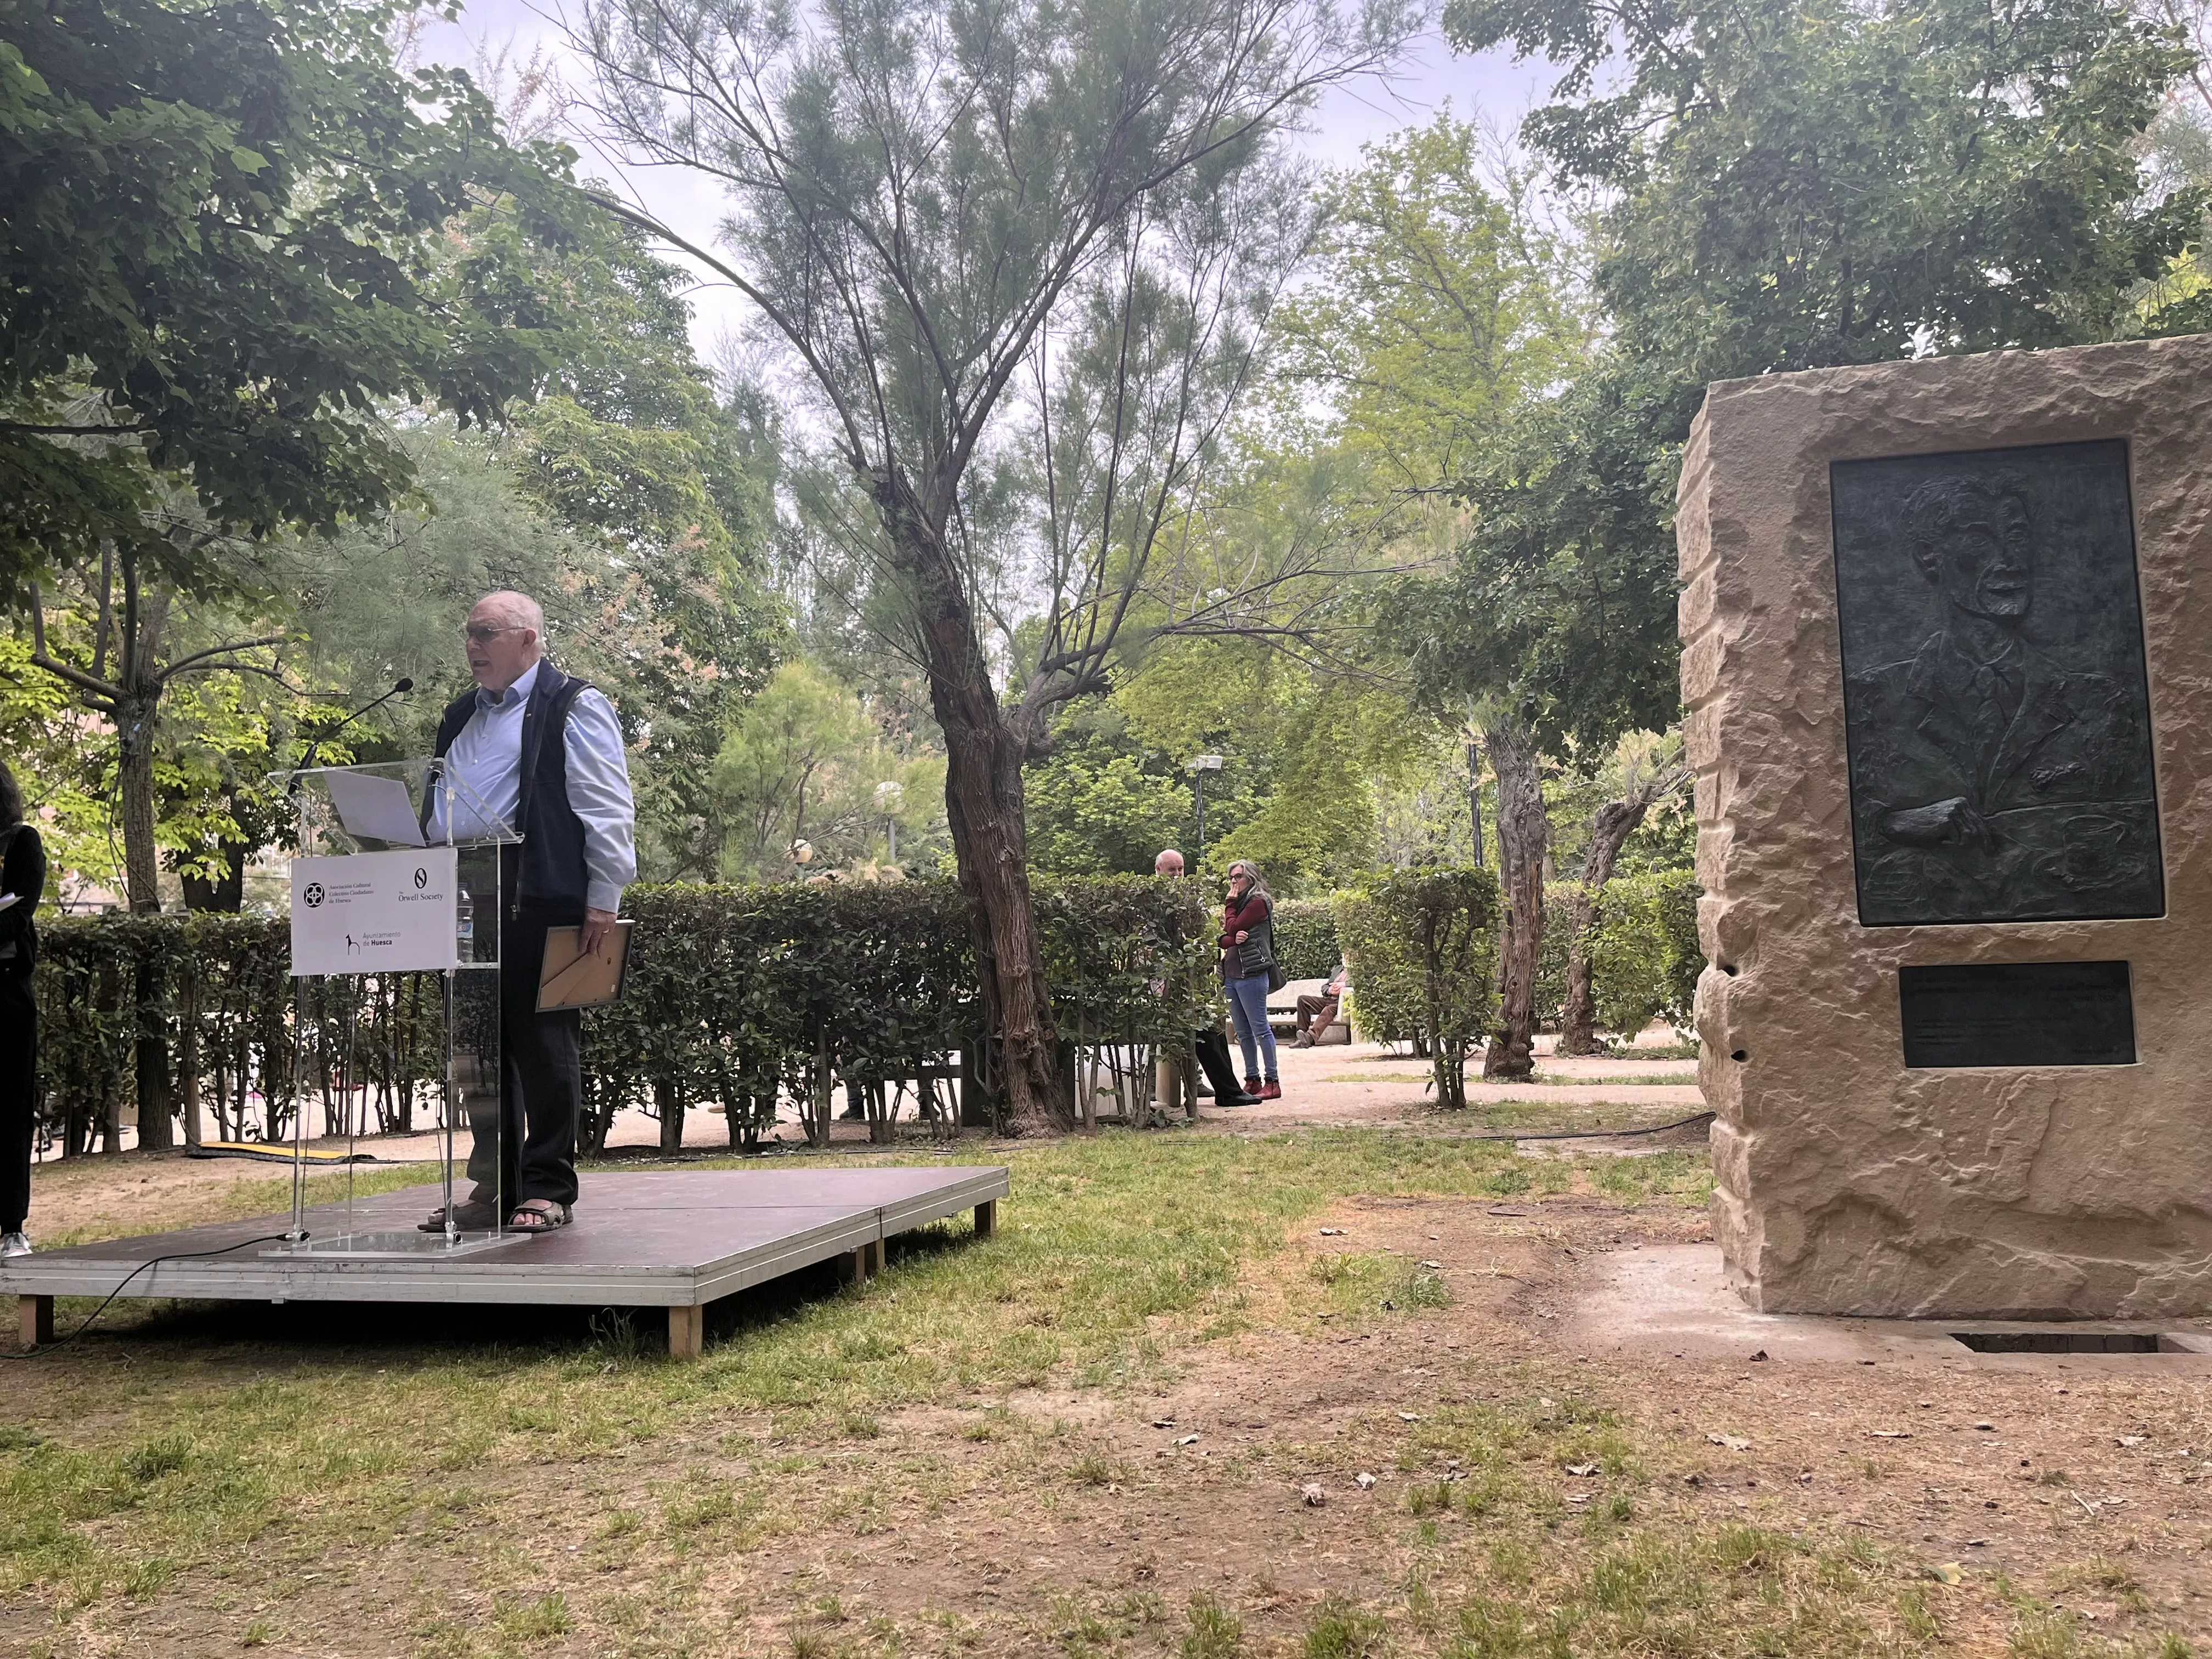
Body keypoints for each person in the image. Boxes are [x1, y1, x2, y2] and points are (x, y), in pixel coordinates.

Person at [1846, 470, 2157, 923]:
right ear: (1929, 557)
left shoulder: (2103, 703)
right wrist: (1901, 823)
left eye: (2016, 537)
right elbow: (1824, 833)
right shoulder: (1872, 702)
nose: (2008, 559)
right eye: (1979, 539)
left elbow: (2134, 832)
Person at [420, 592, 636, 1234]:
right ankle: (495, 1186)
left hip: (539, 895)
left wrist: (603, 898)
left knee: (544, 1047)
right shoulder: (461, 715)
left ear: (530, 639)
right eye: (468, 632)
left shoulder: (573, 705)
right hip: (459, 896)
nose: (472, 645)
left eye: (487, 632)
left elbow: (606, 806)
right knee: (479, 1055)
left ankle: (546, 1187)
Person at [1153, 848, 1255, 1109]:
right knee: (1204, 1032)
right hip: (1164, 985)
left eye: (1180, 869)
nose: (1177, 875)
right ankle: (1227, 1091)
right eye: (1171, 870)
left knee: (1215, 1028)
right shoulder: (1151, 900)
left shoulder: (1192, 899)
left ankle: (1228, 1089)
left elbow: (1208, 932)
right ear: (1158, 871)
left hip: (1190, 979)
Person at [0, 761, 43, 1257]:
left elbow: (14, 916)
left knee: (10, 1109)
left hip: (6, 994)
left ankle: (11, 1224)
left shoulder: (21, 843)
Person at [1219, 859, 1280, 1099]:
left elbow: (1232, 927)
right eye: (1231, 878)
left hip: (1252, 973)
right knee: (1242, 1033)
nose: (1234, 882)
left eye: (1238, 877)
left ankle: (1273, 1081)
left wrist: (1229, 905)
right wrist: (1233, 938)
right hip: (1232, 975)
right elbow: (1223, 938)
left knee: (1261, 1030)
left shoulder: (1258, 902)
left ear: (1251, 878)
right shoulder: (1240, 903)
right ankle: (1252, 1080)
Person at [1293, 958, 1349, 1048]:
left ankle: (1310, 1037)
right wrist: (1329, 990)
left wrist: (1344, 985)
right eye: (1344, 956)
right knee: (1303, 1000)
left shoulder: (1358, 970)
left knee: (1328, 1010)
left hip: (1340, 1002)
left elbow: (1360, 983)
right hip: (1329, 999)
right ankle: (1301, 1036)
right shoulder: (1338, 969)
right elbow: (1325, 986)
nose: (1346, 958)